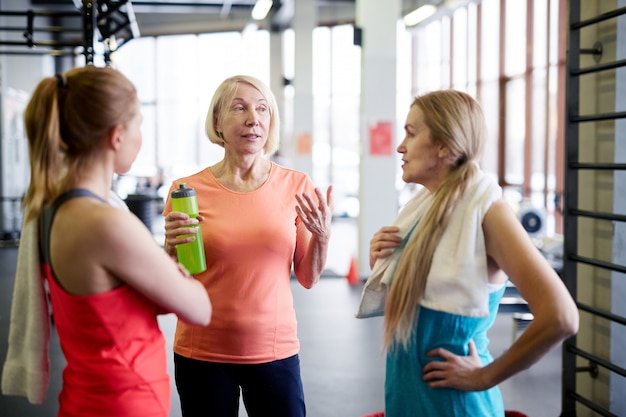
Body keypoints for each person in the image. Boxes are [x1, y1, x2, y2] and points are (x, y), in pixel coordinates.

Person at [359, 89, 579, 416]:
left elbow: (561, 318)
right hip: (408, 396)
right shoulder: (422, 211)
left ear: (445, 146)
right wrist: (384, 258)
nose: (400, 147)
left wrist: (484, 376)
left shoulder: (489, 213)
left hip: (455, 404)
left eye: (411, 133)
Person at [15, 66, 212, 417]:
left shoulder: (52, 210)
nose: (140, 138)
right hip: (123, 401)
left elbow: (117, 299)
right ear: (117, 135)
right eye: (138, 126)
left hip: (85, 397)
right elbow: (199, 308)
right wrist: (176, 269)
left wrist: (160, 264)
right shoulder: (107, 224)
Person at [162, 74, 333, 417]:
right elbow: (171, 279)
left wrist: (322, 238)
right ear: (217, 122)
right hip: (202, 351)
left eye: (262, 109)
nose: (253, 119)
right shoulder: (186, 191)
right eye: (239, 108)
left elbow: (308, 277)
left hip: (274, 350)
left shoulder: (296, 185)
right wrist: (167, 249)